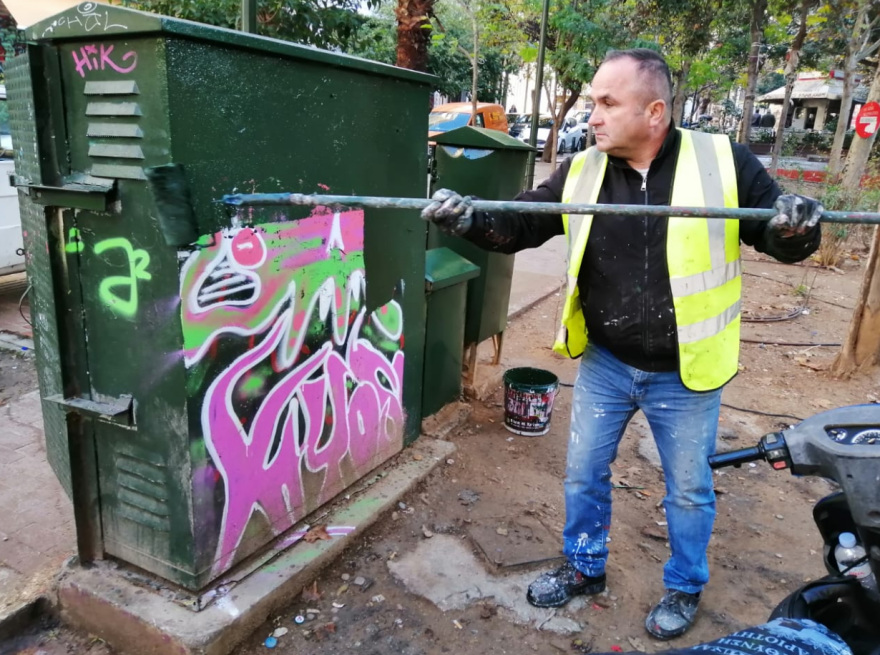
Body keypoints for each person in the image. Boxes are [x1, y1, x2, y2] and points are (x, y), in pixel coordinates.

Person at [421, 48, 822, 640]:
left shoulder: (723, 161)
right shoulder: (584, 170)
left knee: (688, 491)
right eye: (593, 103)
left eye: (607, 103)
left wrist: (794, 225)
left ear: (654, 111)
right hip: (606, 363)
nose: (593, 117)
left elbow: (777, 235)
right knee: (584, 474)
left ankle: (684, 586)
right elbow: (525, 221)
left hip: (686, 371)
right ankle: (584, 567)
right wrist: (471, 219)